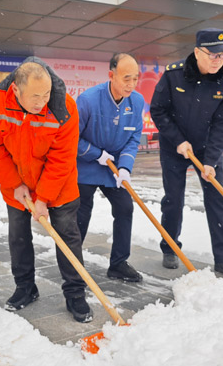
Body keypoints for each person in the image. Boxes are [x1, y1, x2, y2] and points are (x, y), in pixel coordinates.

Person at [0, 57, 93, 323]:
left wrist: (43, 197)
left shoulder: (64, 106)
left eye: (45, 94)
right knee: (18, 237)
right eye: (35, 96)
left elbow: (63, 158)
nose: (42, 102)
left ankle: (75, 293)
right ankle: (25, 288)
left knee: (67, 237)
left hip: (60, 185)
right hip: (17, 184)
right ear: (16, 91)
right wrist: (14, 184)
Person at [150, 28, 223, 277]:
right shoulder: (173, 76)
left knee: (217, 199)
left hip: (206, 148)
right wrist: (178, 140)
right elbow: (158, 111)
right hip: (174, 147)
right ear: (197, 52)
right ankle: (170, 248)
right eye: (213, 54)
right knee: (173, 199)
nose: (218, 59)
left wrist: (210, 160)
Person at [75, 53, 144, 282]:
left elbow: (133, 138)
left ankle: (118, 263)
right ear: (111, 75)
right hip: (85, 165)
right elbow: (72, 138)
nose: (131, 85)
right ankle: (73, 263)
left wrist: (124, 167)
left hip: (113, 167)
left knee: (125, 208)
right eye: (126, 78)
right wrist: (97, 154)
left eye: (135, 79)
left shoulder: (137, 102)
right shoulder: (88, 100)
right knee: (82, 213)